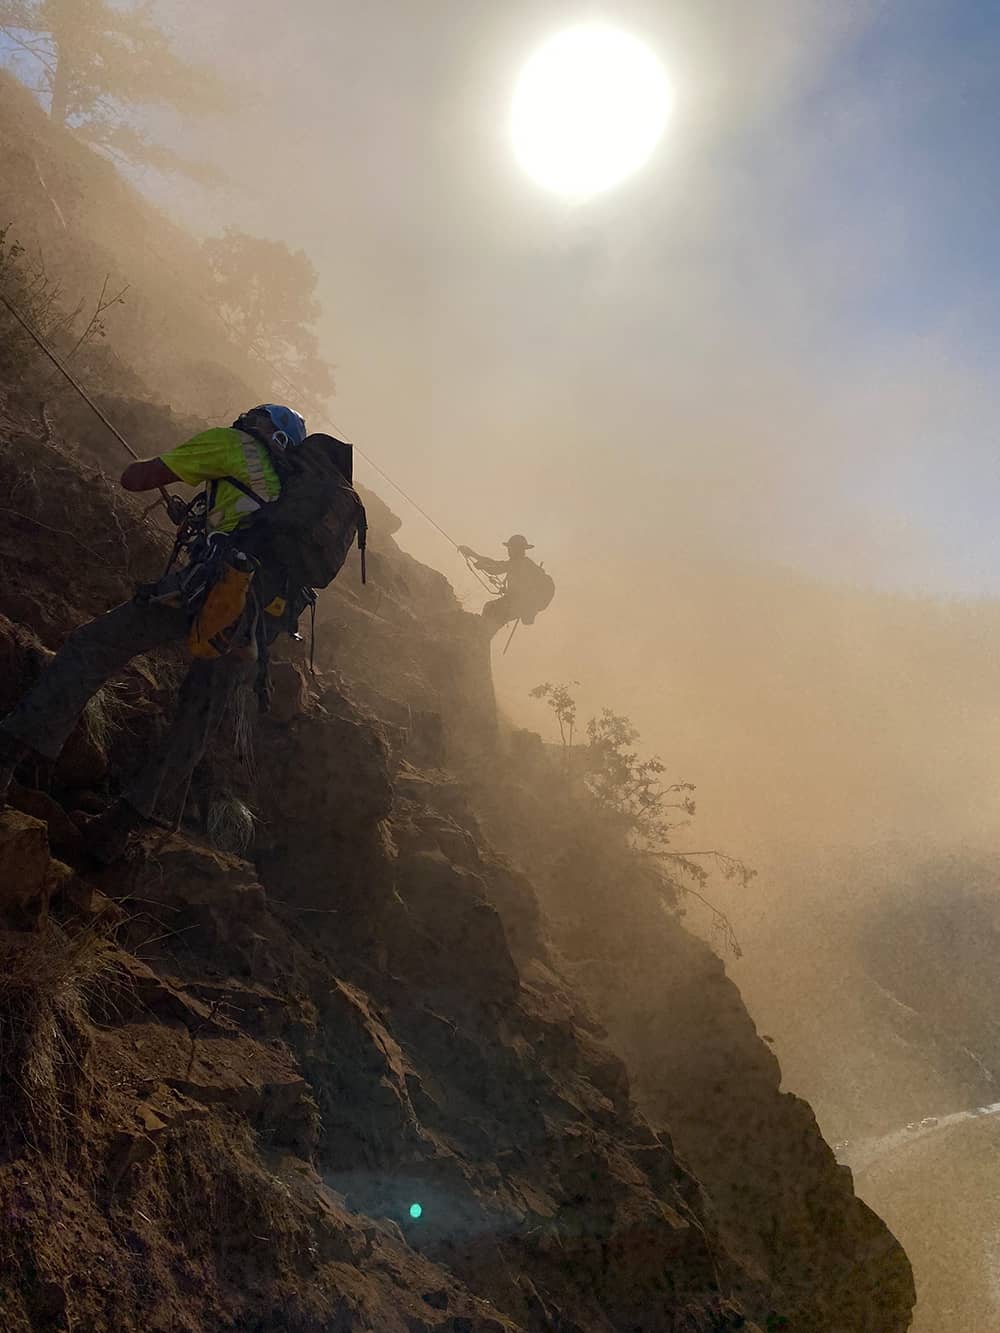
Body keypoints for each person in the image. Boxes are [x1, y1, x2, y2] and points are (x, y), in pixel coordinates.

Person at [0, 403, 313, 860]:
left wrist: (166, 471)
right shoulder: (294, 493)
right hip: (255, 626)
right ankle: (117, 831)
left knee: (96, 646)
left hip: (208, 591)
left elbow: (135, 479)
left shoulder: (234, 446)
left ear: (260, 425)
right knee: (196, 718)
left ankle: (9, 754)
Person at [457, 534, 555, 637]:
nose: (508, 551)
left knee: (490, 608)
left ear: (517, 549)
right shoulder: (522, 563)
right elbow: (497, 567)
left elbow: (496, 567)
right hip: (519, 605)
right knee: (492, 611)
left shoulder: (520, 563)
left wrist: (473, 554)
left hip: (518, 604)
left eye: (510, 548)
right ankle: (483, 638)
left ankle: (482, 638)